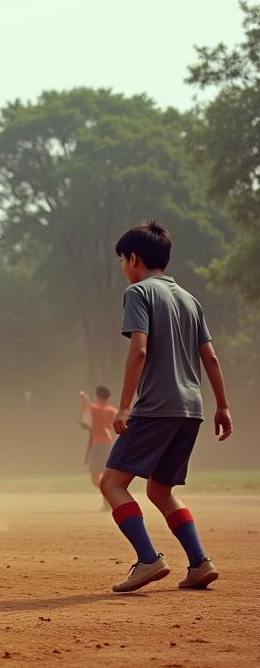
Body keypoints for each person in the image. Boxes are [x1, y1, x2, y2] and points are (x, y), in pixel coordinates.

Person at [100, 221, 232, 593]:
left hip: (156, 406)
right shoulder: (190, 299)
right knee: (160, 490)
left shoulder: (139, 293)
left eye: (122, 261)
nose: (123, 268)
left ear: (134, 258)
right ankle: (200, 562)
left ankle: (148, 559)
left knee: (112, 482)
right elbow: (211, 358)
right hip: (191, 408)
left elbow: (138, 350)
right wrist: (223, 405)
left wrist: (124, 407)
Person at [79, 386, 117, 510]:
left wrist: (83, 397)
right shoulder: (112, 411)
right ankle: (107, 502)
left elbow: (85, 420)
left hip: (98, 445)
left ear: (97, 395)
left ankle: (110, 497)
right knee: (105, 476)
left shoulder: (93, 408)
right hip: (109, 445)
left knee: (95, 479)